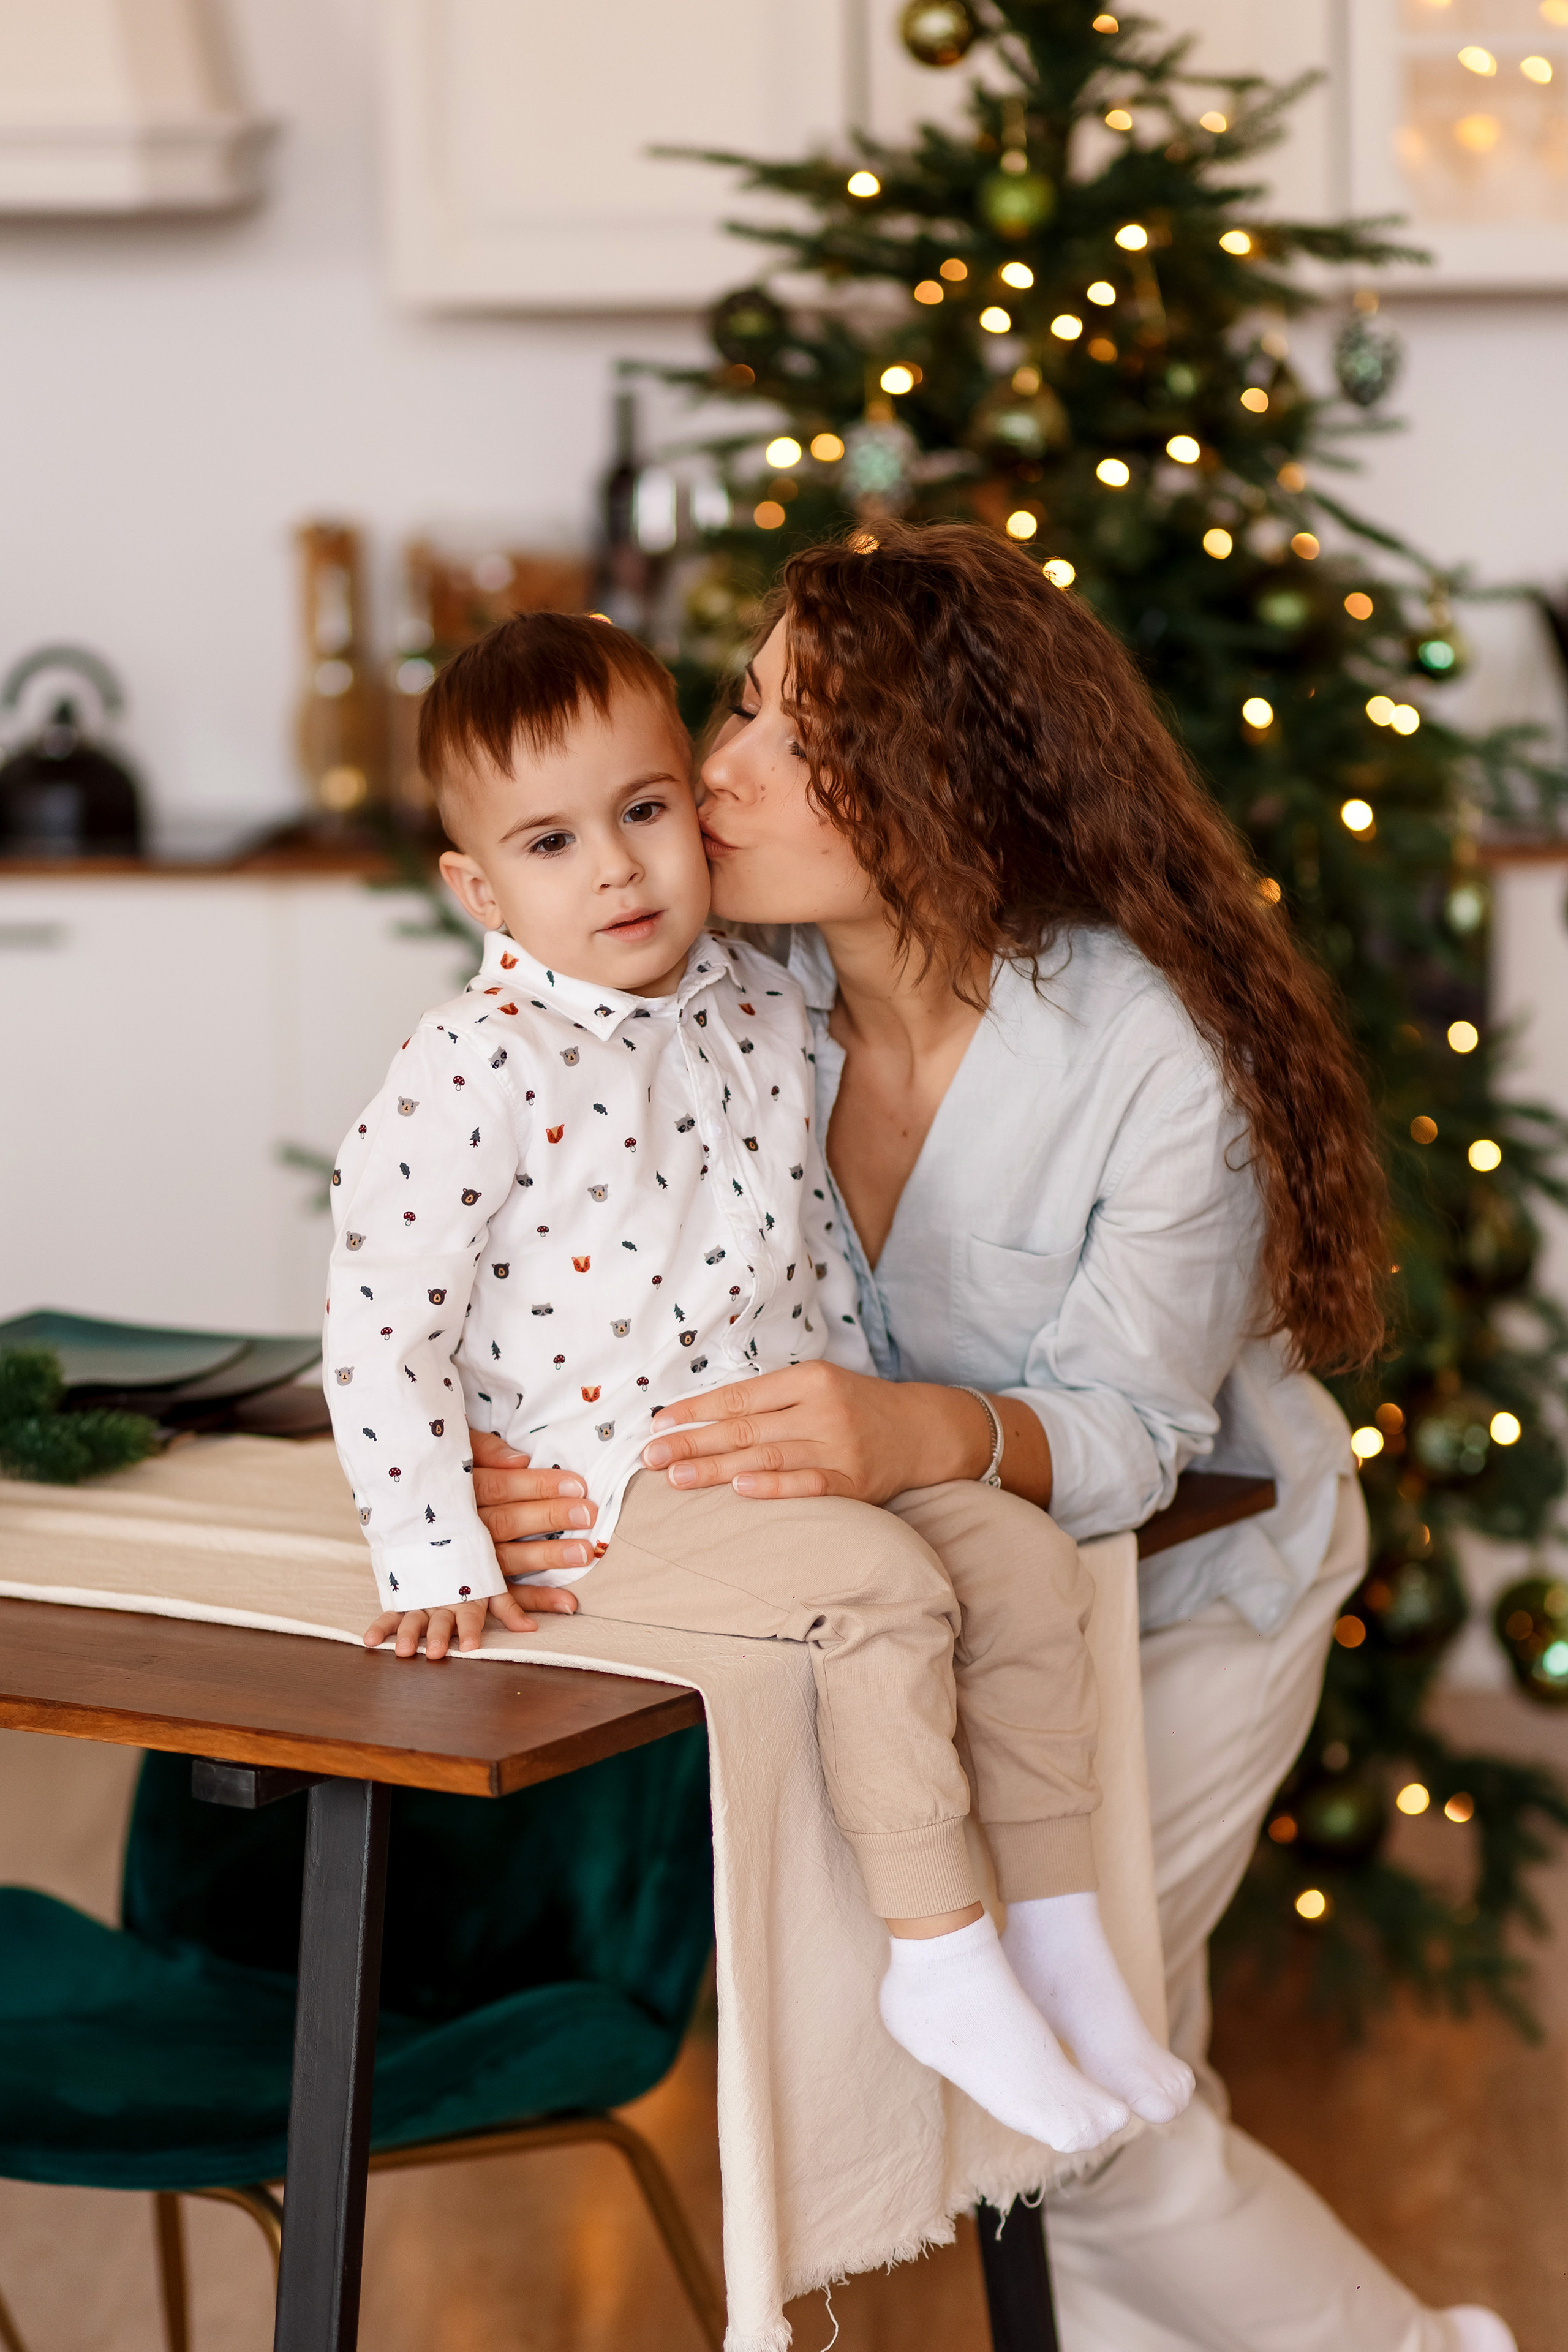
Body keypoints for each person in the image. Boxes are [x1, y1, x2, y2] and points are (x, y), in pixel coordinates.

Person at [473, 532, 1516, 2352]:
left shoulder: (1150, 1057)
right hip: (946, 1618)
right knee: (1096, 2087)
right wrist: (512, 1442)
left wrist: (919, 1429)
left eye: (800, 737)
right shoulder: (740, 1004)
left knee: (1084, 2130)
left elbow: (1129, 1436)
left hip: (1199, 1612)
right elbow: (574, 1242)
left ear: (943, 780)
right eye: (739, 707)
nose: (720, 772)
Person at [323, 609, 1194, 2158]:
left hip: (781, 1447)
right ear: (475, 886)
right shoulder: (472, 1063)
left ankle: (1058, 1941)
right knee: (877, 1586)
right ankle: (940, 1959)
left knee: (1007, 1554)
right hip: (624, 1485)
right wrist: (436, 1530)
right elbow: (380, 1319)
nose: (620, 870)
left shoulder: (752, 990)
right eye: (550, 842)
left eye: (646, 810)